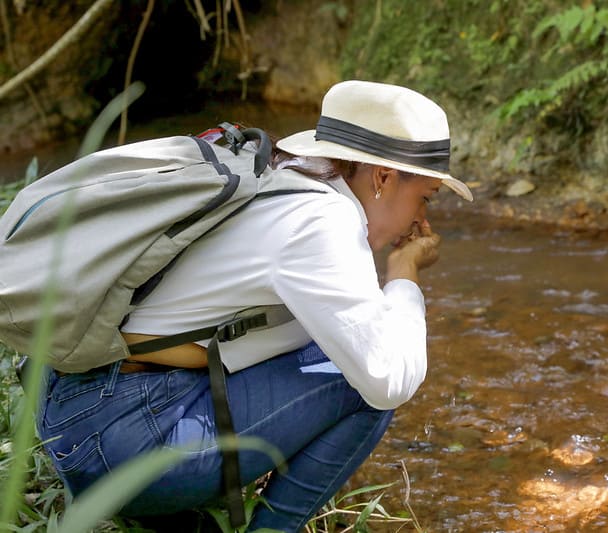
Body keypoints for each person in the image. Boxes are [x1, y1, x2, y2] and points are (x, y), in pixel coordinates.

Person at [35, 79, 473, 532]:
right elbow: (389, 379)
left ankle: (177, 517)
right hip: (120, 440)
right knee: (367, 388)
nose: (423, 221)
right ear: (382, 177)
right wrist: (404, 274)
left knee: (338, 347)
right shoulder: (323, 223)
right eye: (424, 198)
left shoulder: (278, 178)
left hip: (77, 414)